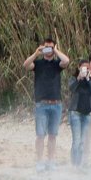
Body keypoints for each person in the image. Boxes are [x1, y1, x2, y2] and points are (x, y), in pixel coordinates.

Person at [23, 39, 70, 171]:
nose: (48, 49)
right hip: (41, 104)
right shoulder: (37, 64)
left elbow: (66, 61)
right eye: (46, 47)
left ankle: (50, 161)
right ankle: (39, 161)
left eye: (51, 47)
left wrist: (55, 50)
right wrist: (36, 53)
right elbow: (26, 65)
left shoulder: (57, 64)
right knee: (40, 135)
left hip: (56, 104)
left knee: (53, 135)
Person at [67, 59, 91, 168]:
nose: (85, 70)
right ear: (79, 68)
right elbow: (71, 88)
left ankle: (79, 164)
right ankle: (74, 164)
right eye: (83, 67)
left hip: (87, 114)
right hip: (75, 113)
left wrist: (88, 79)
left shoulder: (90, 80)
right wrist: (79, 78)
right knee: (76, 141)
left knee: (83, 142)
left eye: (88, 68)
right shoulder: (74, 78)